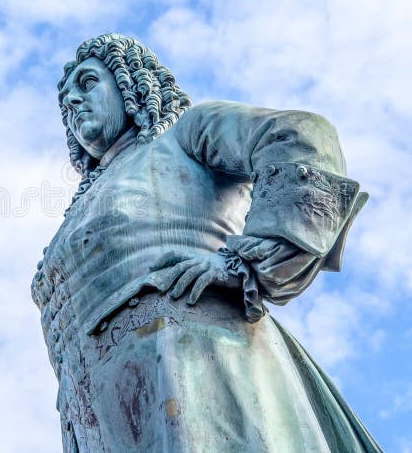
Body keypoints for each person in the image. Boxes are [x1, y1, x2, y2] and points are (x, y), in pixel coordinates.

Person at [31, 33, 382, 452]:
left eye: (88, 83)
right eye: (65, 99)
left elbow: (301, 135)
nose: (73, 101)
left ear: (130, 85)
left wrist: (250, 259)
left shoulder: (181, 136)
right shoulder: (83, 204)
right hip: (102, 415)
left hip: (197, 365)